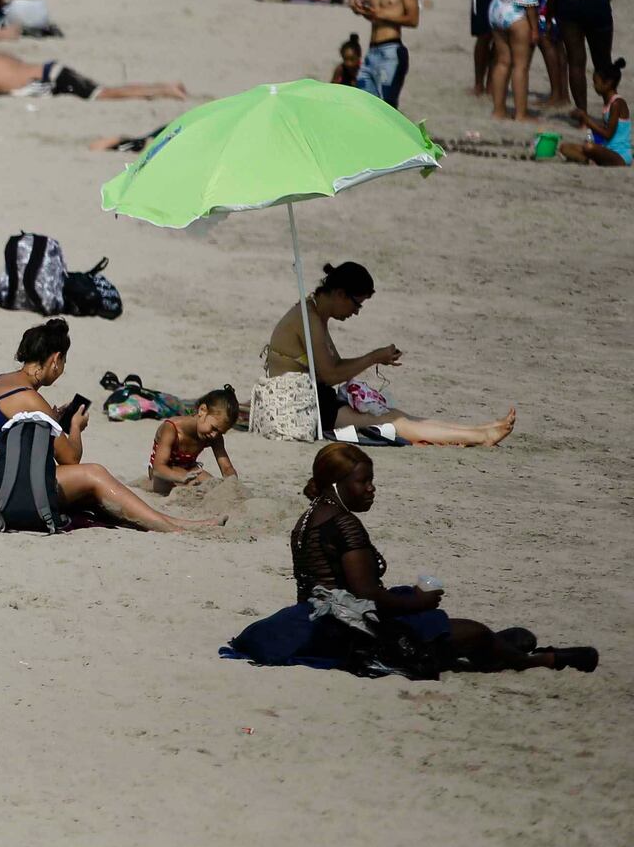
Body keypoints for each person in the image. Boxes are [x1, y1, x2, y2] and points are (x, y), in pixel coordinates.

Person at [288, 443, 593, 672]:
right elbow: (366, 596)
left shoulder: (308, 519)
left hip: (320, 621)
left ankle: (494, 646)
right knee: (476, 633)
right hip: (350, 631)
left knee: (458, 632)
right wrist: (419, 601)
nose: (371, 489)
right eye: (363, 482)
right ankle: (540, 660)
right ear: (338, 484)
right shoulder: (343, 523)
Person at [0, 320, 221, 533]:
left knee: (91, 487)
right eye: (63, 362)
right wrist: (75, 426)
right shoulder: (30, 398)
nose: (62, 368)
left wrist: (50, 418)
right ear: (55, 359)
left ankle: (165, 520)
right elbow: (71, 458)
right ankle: (171, 525)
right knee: (94, 474)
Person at [262, 261, 514, 446]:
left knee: (398, 416)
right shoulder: (310, 319)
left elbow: (333, 366)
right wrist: (373, 357)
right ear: (340, 294)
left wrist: (374, 357)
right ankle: (481, 437)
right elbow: (329, 374)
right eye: (356, 303)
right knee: (393, 423)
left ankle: (479, 430)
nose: (357, 312)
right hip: (303, 407)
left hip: (315, 397)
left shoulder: (315, 314)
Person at [0, 51, 185, 100]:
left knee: (105, 94)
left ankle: (163, 90)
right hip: (50, 71)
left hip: (48, 80)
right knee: (105, 90)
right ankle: (163, 87)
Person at [486, 0, 545, 122]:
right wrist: (535, 29)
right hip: (517, 14)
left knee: (502, 62)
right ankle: (521, 113)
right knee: (521, 66)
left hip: (497, 8)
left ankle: (498, 110)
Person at [347, 0, 417, 107]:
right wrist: (360, 10)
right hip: (372, 52)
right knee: (363, 103)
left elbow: (413, 19)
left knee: (386, 107)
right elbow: (357, 0)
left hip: (391, 51)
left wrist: (380, 14)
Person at [146, 386, 240, 494]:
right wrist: (181, 478)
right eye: (213, 428)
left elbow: (227, 467)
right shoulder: (172, 428)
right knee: (192, 484)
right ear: (202, 411)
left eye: (220, 432)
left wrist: (232, 484)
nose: (214, 435)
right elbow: (158, 468)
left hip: (190, 470)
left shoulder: (214, 436)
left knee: (213, 484)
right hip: (162, 474)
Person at [557, 53, 629, 167]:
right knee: (565, 147)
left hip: (619, 155)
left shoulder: (617, 104)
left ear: (608, 83)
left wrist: (586, 119)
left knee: (589, 147)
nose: (594, 86)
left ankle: (592, 159)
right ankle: (590, 161)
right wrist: (590, 135)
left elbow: (608, 134)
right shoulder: (608, 103)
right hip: (605, 149)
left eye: (596, 82)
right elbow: (603, 130)